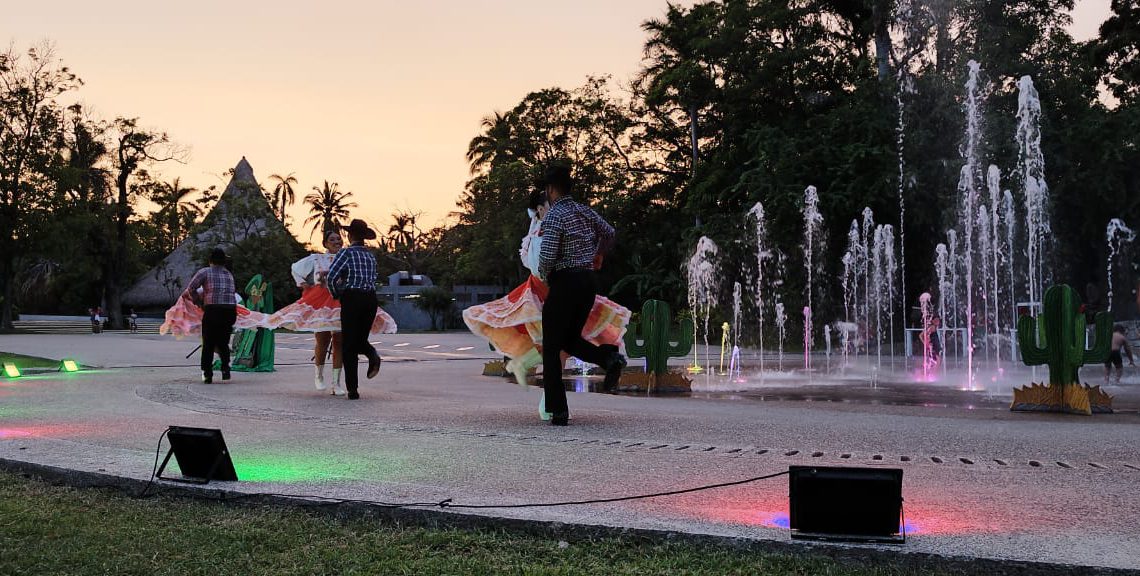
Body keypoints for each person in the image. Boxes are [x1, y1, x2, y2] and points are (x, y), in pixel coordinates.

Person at [462, 190, 630, 420]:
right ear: (541, 209)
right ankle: (554, 398)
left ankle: (550, 398)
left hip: (558, 289)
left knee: (558, 346)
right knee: (555, 346)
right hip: (545, 292)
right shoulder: (543, 230)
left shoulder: (557, 224)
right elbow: (535, 263)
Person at [536, 163, 626, 426]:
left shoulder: (555, 216)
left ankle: (558, 410)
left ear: (551, 190)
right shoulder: (585, 212)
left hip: (565, 281)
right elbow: (610, 233)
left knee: (551, 348)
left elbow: (548, 256)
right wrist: (597, 254)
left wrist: (543, 273)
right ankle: (609, 358)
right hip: (587, 281)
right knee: (569, 339)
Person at [269, 229, 397, 395]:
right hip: (321, 300)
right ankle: (319, 375)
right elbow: (296, 268)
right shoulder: (317, 258)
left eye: (338, 239)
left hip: (341, 300)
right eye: (332, 239)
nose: (336, 241)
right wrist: (302, 283)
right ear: (325, 243)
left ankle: (336, 383)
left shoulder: (346, 255)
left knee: (340, 342)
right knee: (322, 340)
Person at [327, 219, 383, 400]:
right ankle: (372, 354)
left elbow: (331, 277)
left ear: (350, 235)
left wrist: (337, 294)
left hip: (352, 298)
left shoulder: (346, 253)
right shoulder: (370, 256)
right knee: (360, 339)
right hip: (370, 299)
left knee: (349, 345)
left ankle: (353, 389)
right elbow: (374, 278)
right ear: (364, 237)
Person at [183, 247, 238, 384]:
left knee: (208, 343)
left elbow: (191, 288)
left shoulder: (205, 272)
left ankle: (207, 374)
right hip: (230, 311)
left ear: (210, 261)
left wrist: (198, 301)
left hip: (213, 310)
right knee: (223, 342)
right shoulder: (229, 275)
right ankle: (225, 367)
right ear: (224, 262)